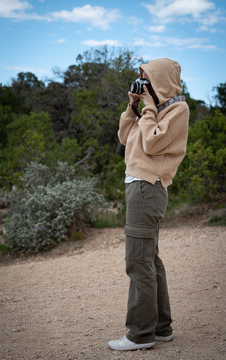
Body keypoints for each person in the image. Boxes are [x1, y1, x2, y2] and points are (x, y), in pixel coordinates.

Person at [108, 58, 189, 351]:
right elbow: (126, 138)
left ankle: (140, 334)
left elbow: (153, 143)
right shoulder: (151, 110)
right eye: (141, 79)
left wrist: (150, 107)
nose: (144, 85)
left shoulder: (177, 108)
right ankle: (161, 328)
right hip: (139, 187)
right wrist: (133, 107)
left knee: (138, 261)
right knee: (150, 260)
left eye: (148, 79)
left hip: (147, 187)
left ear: (162, 80)